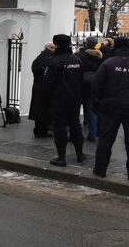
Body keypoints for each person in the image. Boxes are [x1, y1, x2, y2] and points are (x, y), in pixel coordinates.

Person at [92, 37, 129, 180]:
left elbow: (97, 85)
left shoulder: (108, 63)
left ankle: (100, 168)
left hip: (111, 106)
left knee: (106, 139)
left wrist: (96, 103)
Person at [43, 34, 85, 166]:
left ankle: (61, 157)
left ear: (57, 45)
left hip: (59, 100)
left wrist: (46, 100)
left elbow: (48, 84)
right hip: (74, 99)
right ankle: (79, 154)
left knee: (60, 128)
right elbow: (81, 80)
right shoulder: (77, 60)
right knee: (75, 126)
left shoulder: (54, 61)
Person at [76, 36, 103, 142]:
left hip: (80, 84)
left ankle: (76, 133)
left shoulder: (80, 55)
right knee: (91, 109)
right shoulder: (100, 56)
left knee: (76, 110)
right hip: (93, 84)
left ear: (86, 43)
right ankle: (93, 133)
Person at [29, 42, 55, 138]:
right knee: (44, 110)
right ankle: (42, 131)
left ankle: (39, 130)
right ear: (48, 48)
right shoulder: (49, 57)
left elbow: (34, 68)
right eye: (52, 47)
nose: (54, 49)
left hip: (37, 86)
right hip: (44, 87)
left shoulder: (40, 56)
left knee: (38, 110)